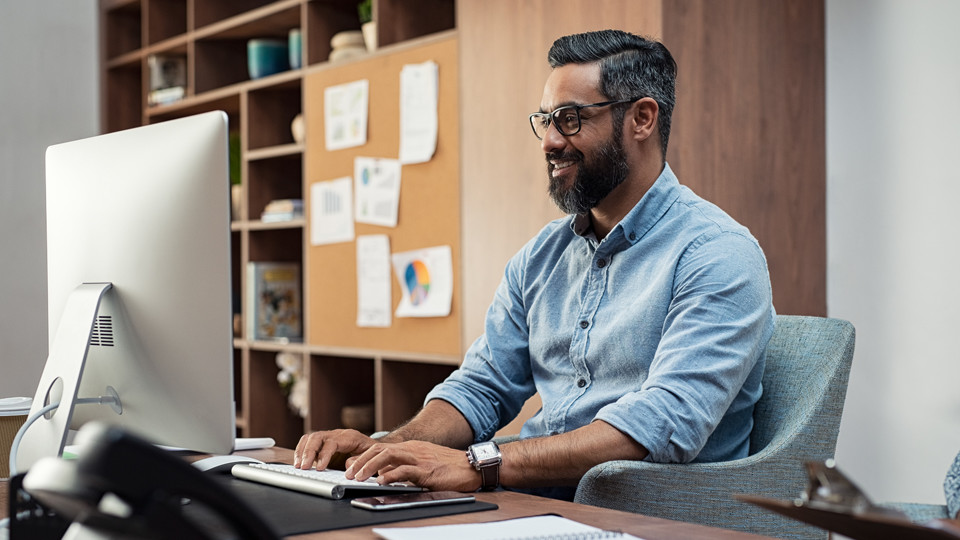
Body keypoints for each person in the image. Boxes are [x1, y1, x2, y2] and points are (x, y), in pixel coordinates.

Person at [294, 29, 775, 499]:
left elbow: (663, 423)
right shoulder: (541, 257)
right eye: (544, 120)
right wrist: (388, 450)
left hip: (650, 517)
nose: (548, 141)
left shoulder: (717, 253)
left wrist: (480, 465)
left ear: (642, 119)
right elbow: (483, 386)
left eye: (569, 119)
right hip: (532, 501)